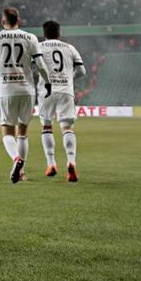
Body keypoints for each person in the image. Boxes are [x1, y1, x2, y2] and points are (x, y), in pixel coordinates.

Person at [0, 7, 51, 183]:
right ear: (19, 21)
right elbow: (40, 64)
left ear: (2, 21)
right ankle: (22, 172)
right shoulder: (30, 37)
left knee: (7, 132)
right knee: (23, 133)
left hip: (6, 90)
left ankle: (16, 159)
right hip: (27, 90)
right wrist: (48, 82)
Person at [37, 21, 85, 182]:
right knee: (67, 128)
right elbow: (82, 70)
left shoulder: (39, 47)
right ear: (59, 33)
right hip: (65, 90)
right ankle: (71, 162)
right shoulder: (69, 48)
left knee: (46, 126)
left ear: (44, 34)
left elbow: (33, 66)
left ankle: (51, 164)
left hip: (46, 90)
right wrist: (69, 79)